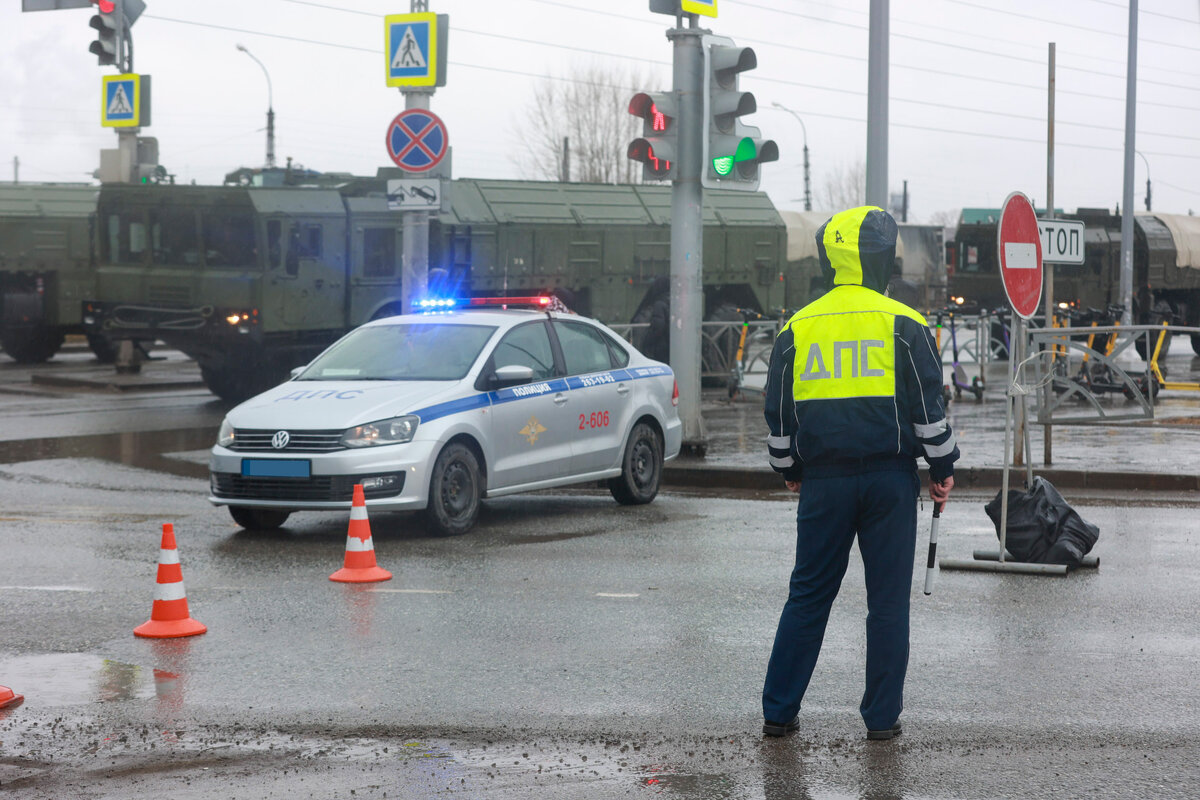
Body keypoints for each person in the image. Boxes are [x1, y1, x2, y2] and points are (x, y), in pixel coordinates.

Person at [760, 205, 958, 741]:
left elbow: (779, 417)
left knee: (808, 596)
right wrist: (942, 469)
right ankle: (881, 721)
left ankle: (778, 713)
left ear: (832, 261)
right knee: (887, 605)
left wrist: (791, 470)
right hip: (891, 483)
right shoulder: (906, 325)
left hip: (824, 484)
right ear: (881, 261)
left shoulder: (797, 327)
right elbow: (928, 410)